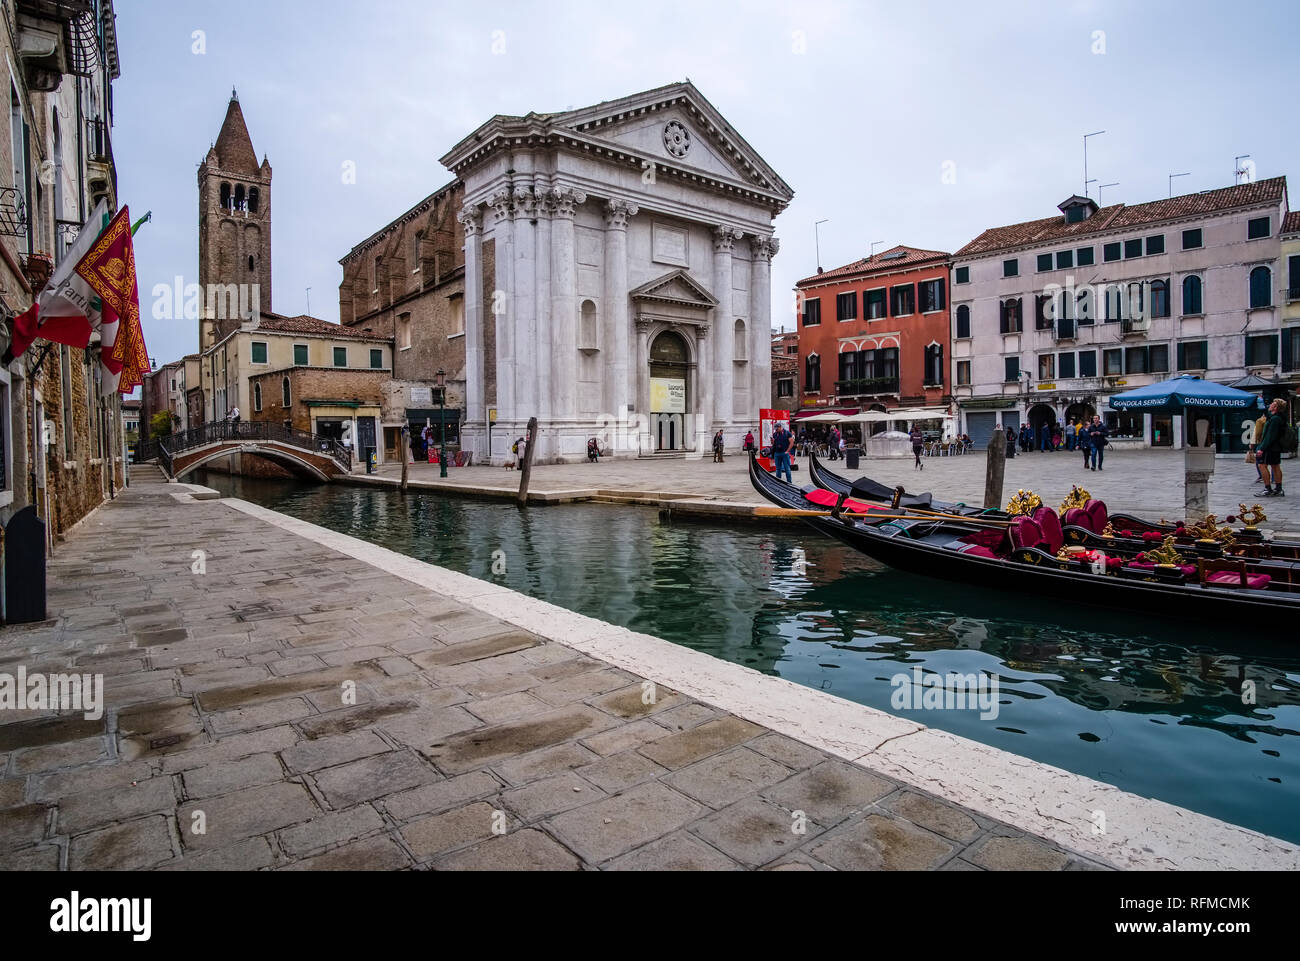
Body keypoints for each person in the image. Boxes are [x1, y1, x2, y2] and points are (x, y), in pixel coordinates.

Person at [1259, 398, 1289, 497]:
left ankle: (1268, 488)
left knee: (1262, 465)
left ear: (1276, 407)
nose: (1270, 405)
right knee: (1275, 466)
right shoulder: (1277, 417)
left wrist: (1261, 448)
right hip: (1276, 447)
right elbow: (1268, 415)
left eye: (1273, 404)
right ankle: (1278, 489)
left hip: (1270, 447)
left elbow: (1270, 436)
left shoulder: (1275, 419)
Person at [1251, 411, 1268, 486]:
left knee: (1259, 462)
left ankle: (1261, 476)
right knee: (1274, 464)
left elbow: (1256, 433)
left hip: (1261, 443)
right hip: (1272, 444)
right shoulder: (1275, 419)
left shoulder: (1260, 421)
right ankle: (1274, 478)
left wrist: (1253, 443)